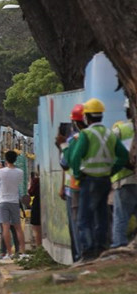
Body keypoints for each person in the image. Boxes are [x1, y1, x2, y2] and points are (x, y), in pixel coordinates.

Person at [68, 98, 130, 260]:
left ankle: (88, 252)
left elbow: (75, 157)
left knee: (84, 219)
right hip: (105, 181)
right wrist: (111, 170)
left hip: (89, 180)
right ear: (101, 116)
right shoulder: (110, 133)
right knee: (102, 216)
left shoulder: (86, 134)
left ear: (86, 118)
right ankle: (101, 249)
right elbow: (123, 156)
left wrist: (77, 174)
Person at [57, 104, 86, 261]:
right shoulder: (100, 135)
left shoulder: (74, 140)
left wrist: (61, 146)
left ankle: (79, 257)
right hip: (88, 185)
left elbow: (65, 163)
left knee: (76, 225)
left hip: (74, 188)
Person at [111, 97, 137, 248]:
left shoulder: (120, 130)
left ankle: (119, 247)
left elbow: (109, 152)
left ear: (127, 111)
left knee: (121, 217)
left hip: (124, 180)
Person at [0, 150, 25, 259]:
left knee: (5, 227)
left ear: (6, 160)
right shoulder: (20, 172)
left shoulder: (0, 172)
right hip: (14, 201)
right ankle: (22, 252)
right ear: (15, 159)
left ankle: (9, 253)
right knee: (18, 227)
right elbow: (18, 182)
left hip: (2, 201)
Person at [28, 170, 42, 249]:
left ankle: (39, 248)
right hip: (44, 203)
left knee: (37, 230)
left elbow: (31, 192)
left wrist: (31, 182)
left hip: (37, 205)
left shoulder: (37, 181)